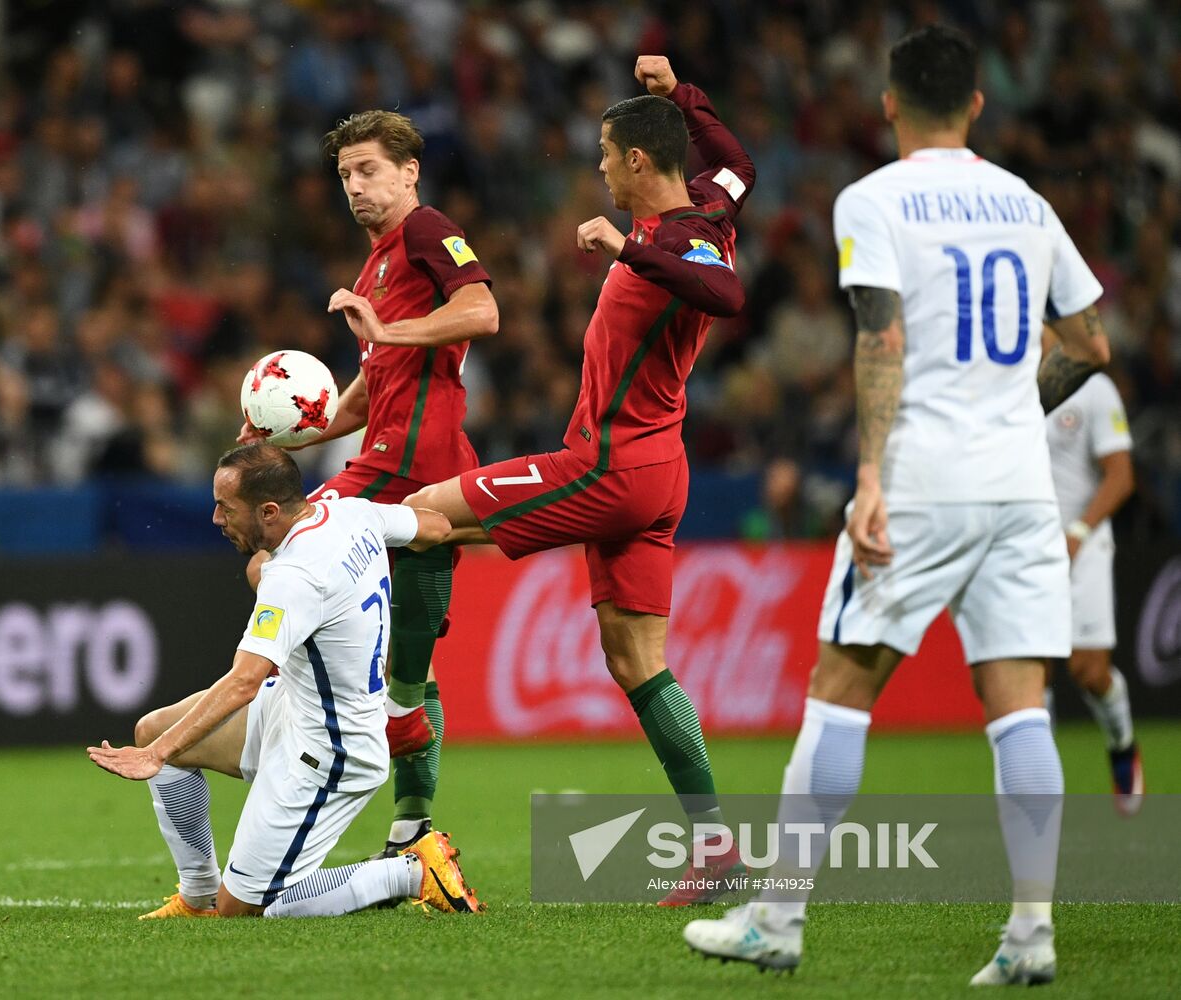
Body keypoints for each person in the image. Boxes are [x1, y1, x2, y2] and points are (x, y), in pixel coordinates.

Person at [681, 25, 1110, 985]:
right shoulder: (1029, 203)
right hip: (1020, 488)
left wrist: (869, 476)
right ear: (977, 104)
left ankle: (776, 923)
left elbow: (880, 339)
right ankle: (1031, 934)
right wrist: (1013, 408)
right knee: (1020, 711)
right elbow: (1090, 343)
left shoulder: (873, 199)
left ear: (887, 105)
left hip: (920, 479)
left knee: (838, 694)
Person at [381, 55, 754, 907]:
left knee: (421, 515)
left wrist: (629, 247)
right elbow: (738, 160)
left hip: (608, 465)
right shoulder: (714, 206)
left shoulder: (672, 241)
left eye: (605, 154)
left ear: (635, 161)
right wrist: (682, 95)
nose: (597, 168)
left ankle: (405, 743)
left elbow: (726, 295)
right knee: (635, 659)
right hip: (657, 470)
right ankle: (715, 846)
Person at [241, 109, 499, 857]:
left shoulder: (427, 232)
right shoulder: (373, 267)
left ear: (408, 172)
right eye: (345, 174)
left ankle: (308, 727)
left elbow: (482, 310)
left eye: (368, 170)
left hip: (408, 460)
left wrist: (386, 331)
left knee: (274, 549)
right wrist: (283, 434)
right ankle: (412, 831)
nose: (355, 186)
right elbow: (362, 397)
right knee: (411, 667)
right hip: (397, 452)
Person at [86, 443, 484, 919]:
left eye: (226, 507)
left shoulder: (295, 575)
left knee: (248, 908)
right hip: (293, 706)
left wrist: (154, 756)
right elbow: (436, 527)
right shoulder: (351, 513)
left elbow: (244, 682)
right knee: (154, 728)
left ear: (269, 511)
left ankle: (411, 871)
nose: (216, 519)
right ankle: (198, 895)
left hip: (332, 748)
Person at [1043, 333, 1141, 816]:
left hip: (1085, 544)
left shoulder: (1092, 388)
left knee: (1089, 672)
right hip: (1027, 547)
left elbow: (1121, 476)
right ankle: (1037, 792)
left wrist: (1078, 532)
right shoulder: (1007, 387)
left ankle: (1121, 742)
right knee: (1027, 674)